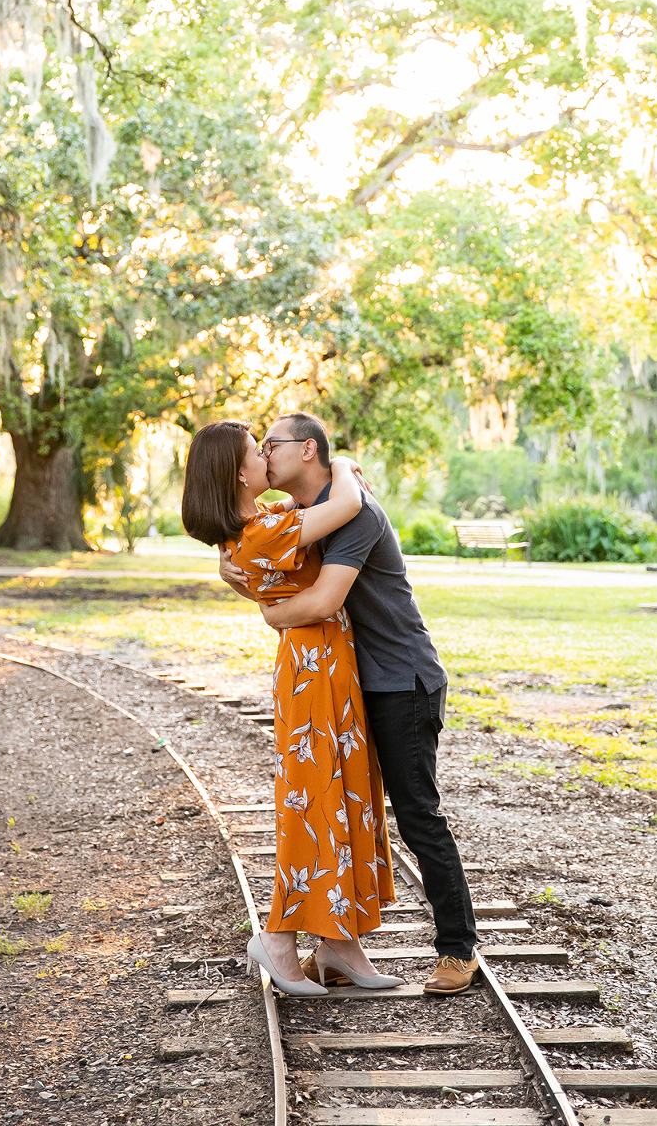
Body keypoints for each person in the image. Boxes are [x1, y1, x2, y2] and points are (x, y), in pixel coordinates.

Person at [219, 411, 479, 995]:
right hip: (358, 684)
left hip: (401, 680)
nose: (264, 453)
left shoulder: (355, 511)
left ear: (307, 451)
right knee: (341, 812)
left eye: (272, 444)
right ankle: (335, 946)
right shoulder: (304, 514)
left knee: (416, 813)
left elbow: (321, 601)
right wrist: (231, 569)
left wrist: (270, 614)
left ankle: (458, 947)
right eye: (257, 448)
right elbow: (261, 556)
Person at [181, 420, 403, 997]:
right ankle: (278, 936)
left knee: (345, 791)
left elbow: (257, 582)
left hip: (328, 662)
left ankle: (339, 943)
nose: (265, 459)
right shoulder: (267, 528)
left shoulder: (255, 531)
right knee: (317, 800)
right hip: (313, 670)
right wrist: (347, 464)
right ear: (238, 473)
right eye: (257, 452)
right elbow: (348, 503)